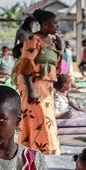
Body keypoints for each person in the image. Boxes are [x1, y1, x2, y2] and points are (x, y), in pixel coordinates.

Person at [14, 9, 62, 155]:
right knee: (37, 119)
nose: (57, 26)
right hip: (33, 84)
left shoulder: (52, 41)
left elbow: (56, 63)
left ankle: (47, 151)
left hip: (47, 86)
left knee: (48, 120)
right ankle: (34, 152)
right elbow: (26, 64)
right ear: (45, 24)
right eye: (55, 23)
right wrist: (30, 90)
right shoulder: (33, 39)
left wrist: (60, 47)